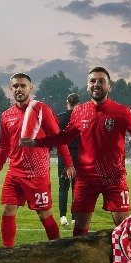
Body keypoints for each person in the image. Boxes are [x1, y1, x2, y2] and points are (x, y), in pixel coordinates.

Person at [20, 67, 131, 233]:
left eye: (101, 81)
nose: (97, 84)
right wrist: (37, 142)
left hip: (114, 178)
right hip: (86, 179)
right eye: (93, 81)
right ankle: (82, 259)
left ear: (109, 87)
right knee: (79, 229)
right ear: (87, 86)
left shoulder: (122, 111)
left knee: (126, 230)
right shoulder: (79, 111)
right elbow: (64, 137)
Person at [0, 73, 74, 247]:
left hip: (37, 174)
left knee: (44, 214)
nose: (19, 89)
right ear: (11, 89)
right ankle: (7, 251)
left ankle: (58, 249)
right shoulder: (6, 115)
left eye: (22, 85)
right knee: (7, 210)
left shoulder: (41, 109)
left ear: (30, 88)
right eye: (15, 86)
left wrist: (69, 164)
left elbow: (58, 139)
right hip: (14, 172)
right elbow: (4, 146)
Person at [57, 92, 81, 227]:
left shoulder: (59, 118)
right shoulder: (82, 119)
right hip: (78, 156)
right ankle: (74, 217)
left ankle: (62, 216)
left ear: (67, 103)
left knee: (63, 187)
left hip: (63, 156)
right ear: (79, 104)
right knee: (76, 188)